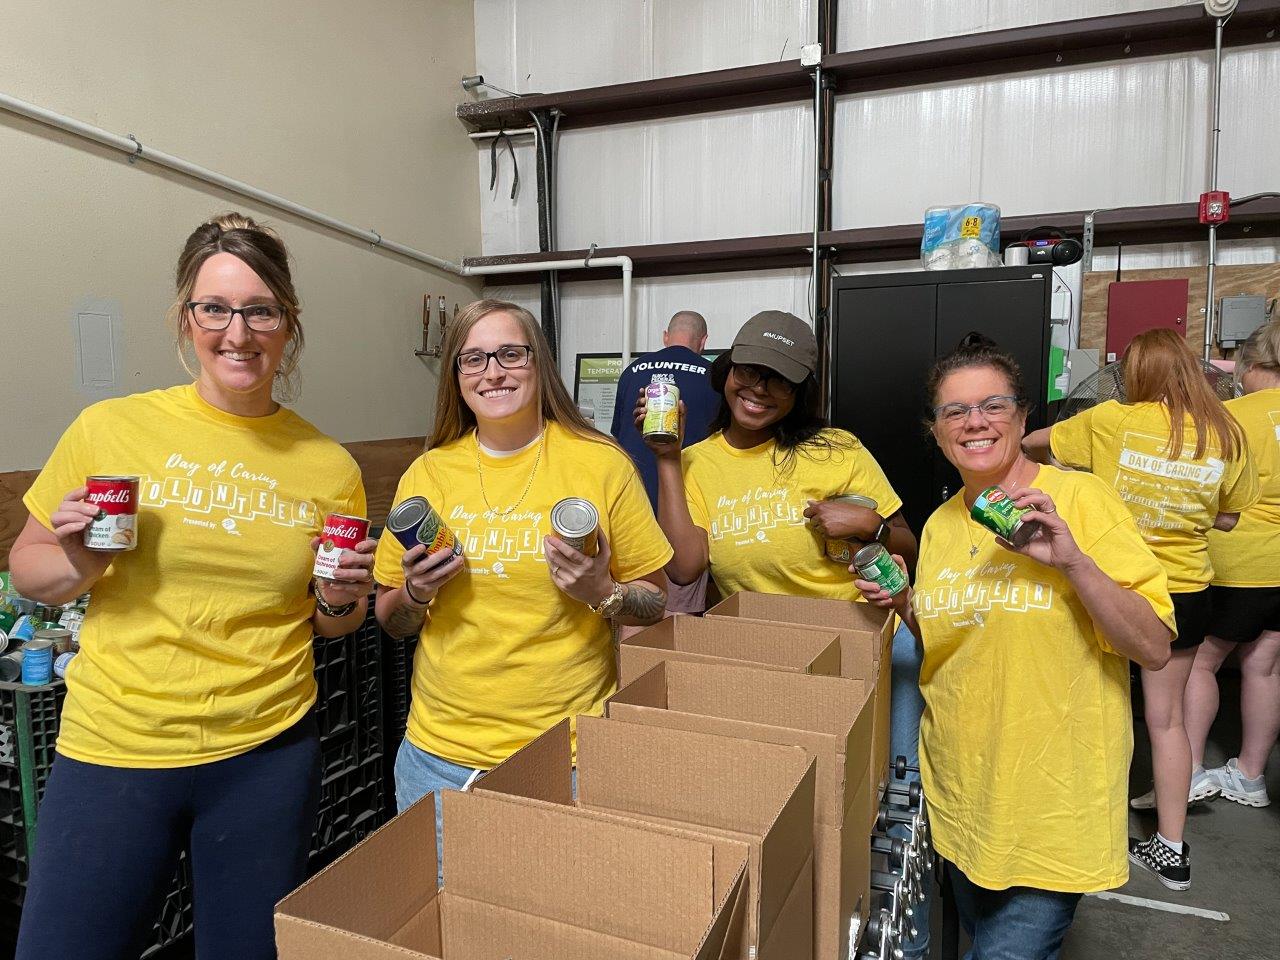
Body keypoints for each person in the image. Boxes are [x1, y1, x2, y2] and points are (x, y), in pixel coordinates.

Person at [10, 213, 373, 960]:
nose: (237, 333)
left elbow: (333, 623)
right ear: (186, 318)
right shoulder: (110, 427)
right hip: (115, 746)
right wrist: (82, 560)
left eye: (260, 310)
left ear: (288, 323)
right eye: (215, 308)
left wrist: (341, 596)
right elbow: (31, 571)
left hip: (266, 751)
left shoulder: (326, 464)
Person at [859, 334, 1174, 958]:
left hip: (1053, 807)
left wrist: (1074, 563)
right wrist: (904, 606)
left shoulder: (1082, 502)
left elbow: (1155, 646)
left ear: (1023, 417)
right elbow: (946, 643)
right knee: (982, 935)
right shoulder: (944, 524)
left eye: (993, 405)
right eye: (956, 411)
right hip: (961, 795)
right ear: (938, 430)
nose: (975, 421)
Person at [637, 309, 927, 956]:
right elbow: (686, 566)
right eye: (749, 371)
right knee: (795, 816)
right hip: (764, 660)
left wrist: (871, 527)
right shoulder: (698, 462)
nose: (759, 388)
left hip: (866, 649)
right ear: (726, 371)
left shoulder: (837, 449)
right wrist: (665, 462)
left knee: (892, 809)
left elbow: (907, 543)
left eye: (780, 379)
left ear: (800, 392)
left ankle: (901, 943)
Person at [373, 299, 671, 867]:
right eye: (474, 359)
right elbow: (391, 621)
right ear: (456, 377)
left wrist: (600, 592)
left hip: (567, 754)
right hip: (438, 759)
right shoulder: (430, 474)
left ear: (540, 365)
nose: (493, 372)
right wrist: (415, 594)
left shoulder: (600, 463)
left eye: (511, 353)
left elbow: (656, 600)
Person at [1025, 328, 1256, 890]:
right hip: (1188, 595)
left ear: (1137, 375)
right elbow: (1230, 514)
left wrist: (1087, 476)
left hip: (1111, 588)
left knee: (1082, 705)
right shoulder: (1225, 432)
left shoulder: (1110, 423)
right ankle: (1171, 848)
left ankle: (1065, 828)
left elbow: (1032, 442)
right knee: (1167, 721)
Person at [1185, 320, 1280, 808]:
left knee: (1201, 662)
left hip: (1240, 561)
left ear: (1248, 364)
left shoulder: (1231, 418)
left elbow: (1205, 490)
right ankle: (1250, 774)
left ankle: (1190, 770)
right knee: (1263, 667)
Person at [612, 310, 720, 616]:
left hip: (633, 511)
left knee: (634, 610)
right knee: (678, 619)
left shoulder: (633, 371)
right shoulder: (712, 376)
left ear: (665, 337)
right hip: (685, 514)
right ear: (703, 342)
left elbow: (617, 438)